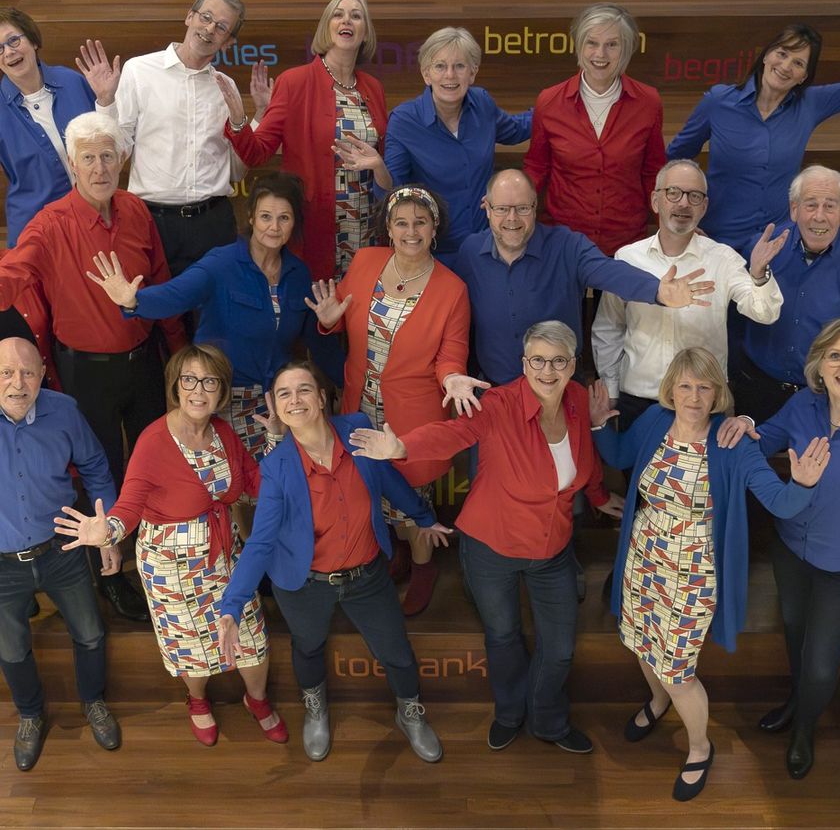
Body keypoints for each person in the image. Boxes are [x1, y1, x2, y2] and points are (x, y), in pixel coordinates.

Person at [350, 321, 623, 755]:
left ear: (573, 366)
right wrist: (401, 448)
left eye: (558, 361)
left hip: (552, 548)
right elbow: (453, 434)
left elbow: (584, 457)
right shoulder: (498, 404)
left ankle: (547, 721)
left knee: (559, 649)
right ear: (524, 364)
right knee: (502, 636)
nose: (547, 371)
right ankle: (510, 714)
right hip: (491, 548)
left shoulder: (575, 399)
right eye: (538, 360)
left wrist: (599, 495)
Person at [591, 347, 829, 800]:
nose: (694, 397)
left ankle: (700, 746)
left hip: (694, 571)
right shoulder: (656, 420)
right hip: (643, 556)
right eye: (685, 386)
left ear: (719, 393)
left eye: (704, 387)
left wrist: (803, 483)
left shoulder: (731, 441)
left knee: (678, 670)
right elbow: (620, 455)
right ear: (671, 390)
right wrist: (600, 424)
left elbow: (780, 503)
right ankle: (656, 701)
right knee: (641, 643)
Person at [0, 111, 187, 621]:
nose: (100, 167)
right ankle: (110, 574)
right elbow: (11, 274)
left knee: (154, 465)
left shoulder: (136, 209)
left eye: (108, 156)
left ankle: (157, 560)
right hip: (85, 374)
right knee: (99, 472)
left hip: (144, 362)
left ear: (122, 160)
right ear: (73, 164)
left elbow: (161, 280)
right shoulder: (50, 224)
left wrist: (177, 350)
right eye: (89, 158)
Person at [54, 344, 287, 748]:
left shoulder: (224, 433)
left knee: (251, 637)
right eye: (189, 380)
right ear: (175, 386)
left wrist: (276, 439)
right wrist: (106, 532)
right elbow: (129, 506)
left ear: (221, 390)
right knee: (192, 647)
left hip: (226, 557)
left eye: (209, 381)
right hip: (171, 567)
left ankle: (257, 699)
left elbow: (256, 482)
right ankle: (197, 700)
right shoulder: (153, 441)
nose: (199, 390)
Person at [218, 359, 446, 763]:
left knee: (396, 650)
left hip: (367, 575)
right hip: (305, 583)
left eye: (304, 389)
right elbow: (261, 542)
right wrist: (231, 606)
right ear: (277, 407)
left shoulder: (357, 430)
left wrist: (423, 517)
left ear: (322, 398)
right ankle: (315, 708)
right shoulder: (276, 467)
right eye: (284, 394)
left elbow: (387, 479)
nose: (295, 399)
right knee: (308, 648)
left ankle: (410, 713)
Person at [84, 171, 343, 463]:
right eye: (266, 216)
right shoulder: (221, 264)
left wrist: (339, 357)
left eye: (284, 218)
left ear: (294, 223)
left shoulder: (299, 274)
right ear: (251, 217)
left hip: (278, 400)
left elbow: (316, 342)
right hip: (223, 397)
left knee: (278, 477)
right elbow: (174, 295)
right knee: (237, 479)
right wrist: (133, 301)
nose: (274, 227)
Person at [305, 185, 480, 615]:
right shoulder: (366, 261)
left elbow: (450, 356)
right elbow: (340, 316)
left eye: (421, 222)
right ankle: (393, 553)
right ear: (388, 226)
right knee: (367, 488)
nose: (411, 231)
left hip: (411, 415)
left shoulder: (452, 289)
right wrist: (328, 323)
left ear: (435, 228)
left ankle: (423, 567)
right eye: (401, 222)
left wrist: (453, 379)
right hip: (358, 405)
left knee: (412, 498)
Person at [746, 319, 840, 779]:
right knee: (795, 632)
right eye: (835, 356)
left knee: (820, 666)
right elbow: (759, 442)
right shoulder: (801, 406)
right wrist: (743, 425)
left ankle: (804, 728)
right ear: (819, 365)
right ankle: (797, 702)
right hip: (791, 549)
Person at [454, 169, 716, 387]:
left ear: (534, 206)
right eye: (502, 208)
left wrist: (658, 291)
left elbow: (611, 272)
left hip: (559, 391)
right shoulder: (470, 252)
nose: (512, 219)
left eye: (522, 208)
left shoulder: (567, 246)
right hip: (494, 392)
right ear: (487, 208)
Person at [667, 23, 840, 250]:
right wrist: (684, 216)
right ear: (766, 55)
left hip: (777, 242)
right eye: (782, 53)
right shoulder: (718, 101)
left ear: (803, 76)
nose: (786, 66)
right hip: (717, 240)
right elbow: (674, 158)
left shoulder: (810, 104)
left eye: (798, 63)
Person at [0, 338, 121, 771]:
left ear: (42, 376)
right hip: (2, 566)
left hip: (63, 550)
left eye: (28, 373)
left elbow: (96, 468)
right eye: (6, 373)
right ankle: (31, 714)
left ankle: (94, 701)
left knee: (90, 633)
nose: (18, 383)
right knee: (11, 649)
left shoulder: (64, 411)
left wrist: (108, 533)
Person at [592, 159, 785, 429]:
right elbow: (609, 328)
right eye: (673, 193)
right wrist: (611, 389)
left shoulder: (723, 259)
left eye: (694, 196)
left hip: (704, 405)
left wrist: (759, 274)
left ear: (704, 207)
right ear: (655, 201)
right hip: (639, 402)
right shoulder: (627, 259)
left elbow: (765, 313)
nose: (683, 203)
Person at [79, 0, 252, 276]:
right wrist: (106, 101)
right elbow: (119, 151)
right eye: (206, 17)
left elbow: (235, 172)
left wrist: (241, 125)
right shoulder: (139, 70)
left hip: (213, 222)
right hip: (152, 221)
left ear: (228, 42)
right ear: (189, 16)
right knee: (151, 303)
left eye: (221, 27)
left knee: (214, 304)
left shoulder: (226, 87)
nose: (209, 29)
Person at [219, 0, 388, 283]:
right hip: (317, 228)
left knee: (360, 300)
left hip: (368, 224)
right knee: (317, 303)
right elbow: (257, 153)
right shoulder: (294, 82)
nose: (347, 20)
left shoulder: (373, 88)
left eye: (356, 16)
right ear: (326, 27)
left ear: (365, 32)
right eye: (338, 14)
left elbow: (383, 157)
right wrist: (238, 121)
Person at [332, 26, 531, 269]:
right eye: (440, 66)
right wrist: (378, 167)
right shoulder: (405, 120)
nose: (450, 75)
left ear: (473, 73)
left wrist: (556, 103)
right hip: (437, 254)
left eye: (459, 66)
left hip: (487, 248)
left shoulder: (482, 103)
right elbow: (392, 194)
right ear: (426, 74)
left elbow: (517, 129)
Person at [733, 165, 840, 422]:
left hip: (825, 394)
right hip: (758, 388)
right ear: (794, 209)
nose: (819, 217)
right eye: (810, 205)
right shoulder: (762, 247)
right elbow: (732, 312)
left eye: (830, 206)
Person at [524, 3, 665, 256]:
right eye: (592, 43)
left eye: (612, 44)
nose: (600, 54)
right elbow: (537, 167)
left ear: (626, 49)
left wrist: (670, 224)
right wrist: (513, 201)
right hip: (564, 243)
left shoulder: (649, 102)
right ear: (579, 45)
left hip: (626, 245)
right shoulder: (549, 101)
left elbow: (653, 172)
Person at [0, 7, 95, 246]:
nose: (8, 52)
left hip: (92, 216)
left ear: (33, 41)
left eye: (13, 40)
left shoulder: (72, 81)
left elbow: (107, 141)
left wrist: (106, 100)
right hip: (35, 229)